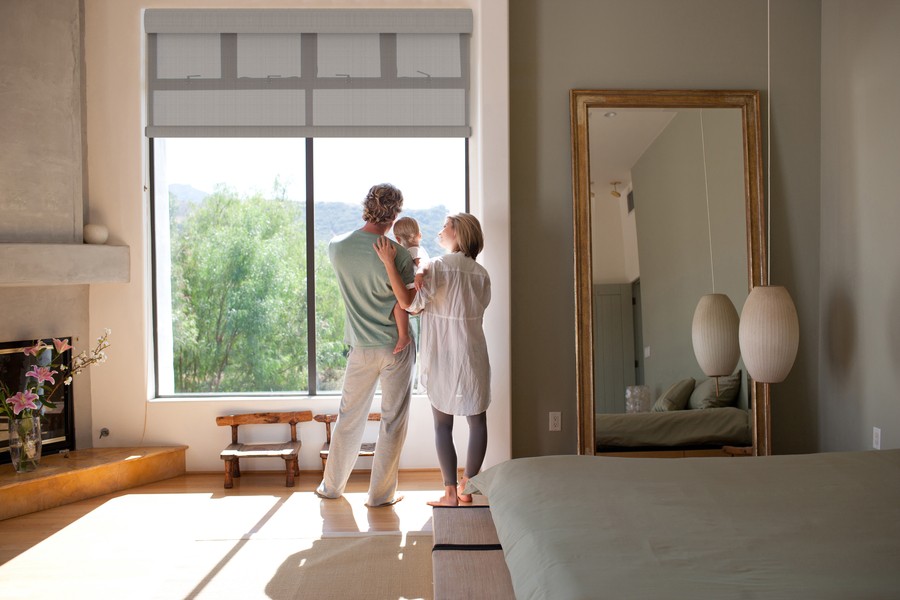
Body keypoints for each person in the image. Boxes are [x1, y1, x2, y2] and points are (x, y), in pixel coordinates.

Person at [374, 213, 491, 507]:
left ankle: (450, 493)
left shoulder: (437, 267)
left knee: (443, 426)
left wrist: (391, 264)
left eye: (445, 226)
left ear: (458, 233)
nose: (440, 230)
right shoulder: (481, 274)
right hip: (474, 354)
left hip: (442, 355)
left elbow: (410, 305)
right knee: (478, 423)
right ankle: (468, 487)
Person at [315, 183, 417, 508]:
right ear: (395, 214)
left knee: (349, 418)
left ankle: (331, 488)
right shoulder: (398, 254)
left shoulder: (336, 247)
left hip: (359, 347)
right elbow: (407, 303)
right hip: (395, 348)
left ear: (366, 207)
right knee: (393, 420)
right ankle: (380, 495)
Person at [388, 216, 431, 354]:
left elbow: (423, 264)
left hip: (415, 292)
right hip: (418, 295)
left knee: (397, 305)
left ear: (398, 239)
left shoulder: (414, 251)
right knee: (400, 306)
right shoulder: (417, 250)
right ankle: (404, 335)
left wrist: (419, 274)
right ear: (420, 235)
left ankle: (403, 336)